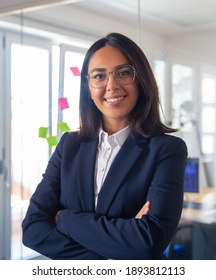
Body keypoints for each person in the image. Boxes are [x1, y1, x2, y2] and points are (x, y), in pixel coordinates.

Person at [22, 32, 188, 260]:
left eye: (124, 73)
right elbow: (33, 230)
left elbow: (149, 242)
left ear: (141, 80)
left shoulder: (167, 150)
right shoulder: (69, 145)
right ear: (88, 88)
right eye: (99, 76)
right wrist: (113, 253)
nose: (112, 85)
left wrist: (64, 218)